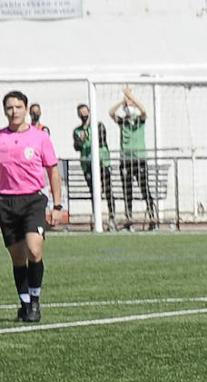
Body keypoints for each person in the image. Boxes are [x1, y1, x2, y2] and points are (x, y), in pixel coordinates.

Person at [2, 90, 63, 323]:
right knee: (17, 257)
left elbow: (53, 170)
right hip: (5, 202)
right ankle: (25, 305)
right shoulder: (0, 138)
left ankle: (35, 301)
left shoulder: (40, 138)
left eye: (18, 106)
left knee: (34, 250)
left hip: (33, 200)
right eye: (9, 107)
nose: (14, 111)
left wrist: (57, 205)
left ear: (26, 109)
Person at [109, 86, 157, 230]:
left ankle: (152, 216)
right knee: (127, 190)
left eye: (130, 103)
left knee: (144, 188)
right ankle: (129, 217)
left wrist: (131, 97)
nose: (128, 105)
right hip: (125, 161)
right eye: (127, 103)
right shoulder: (122, 121)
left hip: (139, 159)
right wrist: (122, 100)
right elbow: (111, 112)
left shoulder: (139, 121)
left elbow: (144, 111)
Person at [71, 103, 117, 231]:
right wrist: (81, 140)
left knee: (108, 190)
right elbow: (77, 146)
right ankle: (97, 218)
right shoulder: (77, 131)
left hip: (102, 163)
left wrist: (88, 137)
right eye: (81, 114)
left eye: (85, 113)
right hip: (87, 164)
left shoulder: (98, 126)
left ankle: (112, 217)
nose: (84, 115)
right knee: (94, 192)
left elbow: (101, 140)